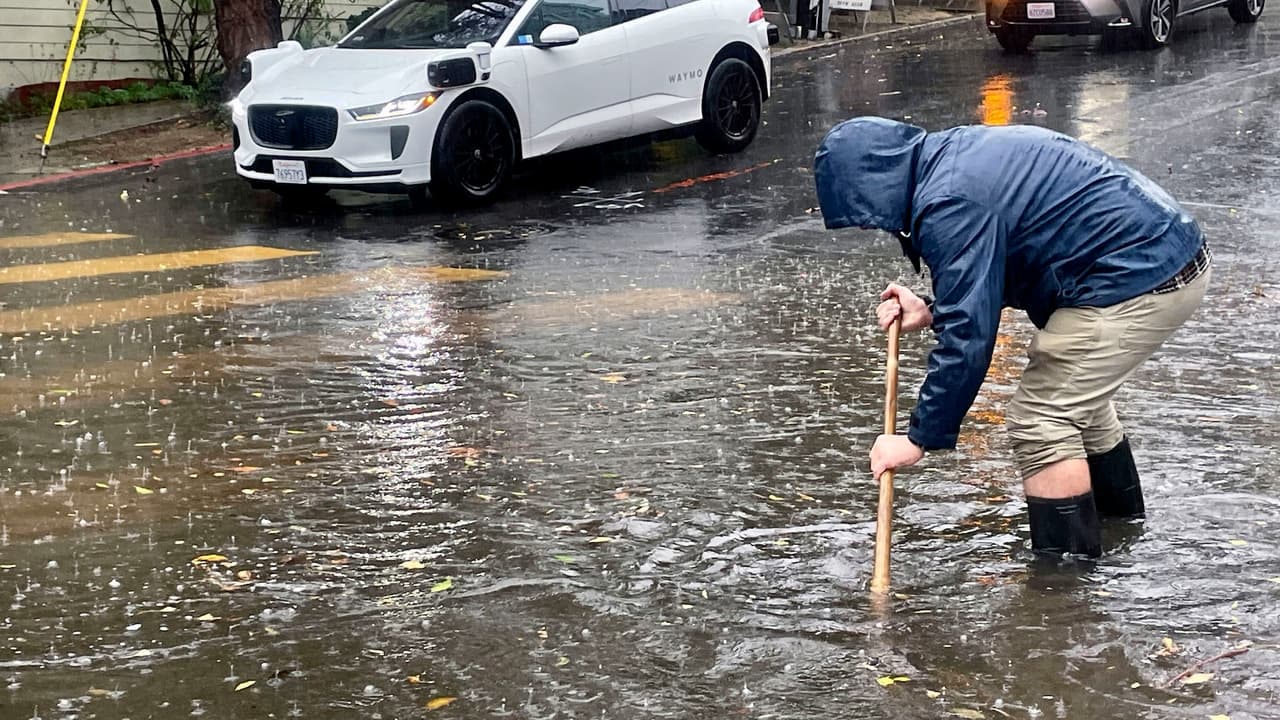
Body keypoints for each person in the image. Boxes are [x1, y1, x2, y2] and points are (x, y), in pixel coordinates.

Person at [814, 117, 1210, 559]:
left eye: (865, 216)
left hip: (1139, 275)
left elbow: (969, 335)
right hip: (1164, 254)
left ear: (875, 186)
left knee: (1041, 417)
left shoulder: (948, 202)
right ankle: (1123, 532)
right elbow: (991, 268)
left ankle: (1064, 588)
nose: (873, 228)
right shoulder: (949, 159)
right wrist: (931, 307)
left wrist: (916, 439)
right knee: (1077, 400)